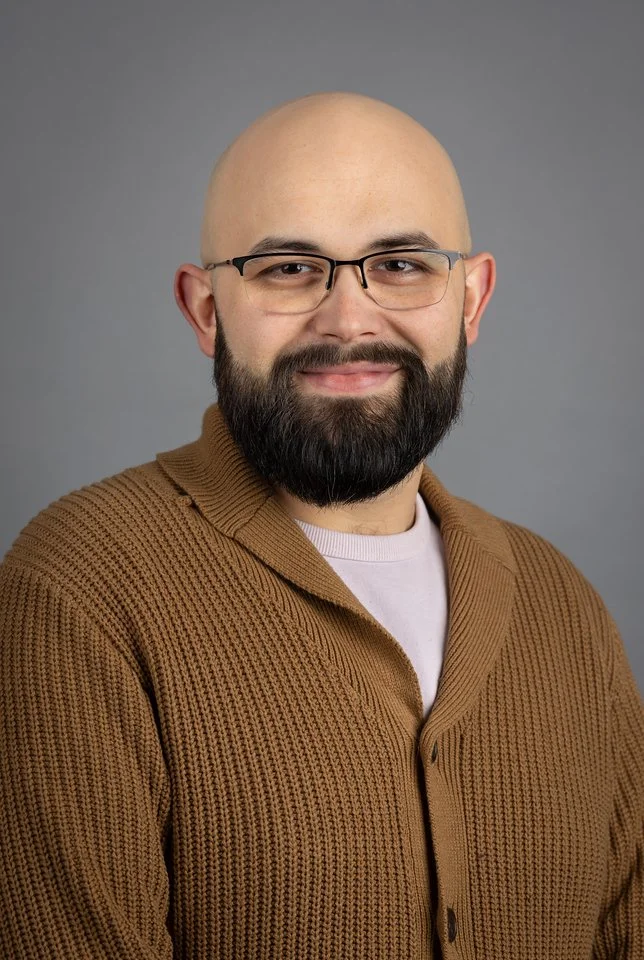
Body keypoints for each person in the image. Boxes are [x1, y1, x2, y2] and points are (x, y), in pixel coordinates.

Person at [0, 91, 642, 960]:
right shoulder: (78, 588)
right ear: (205, 310)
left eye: (404, 265)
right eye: (290, 269)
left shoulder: (563, 605)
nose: (349, 319)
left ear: (472, 299)